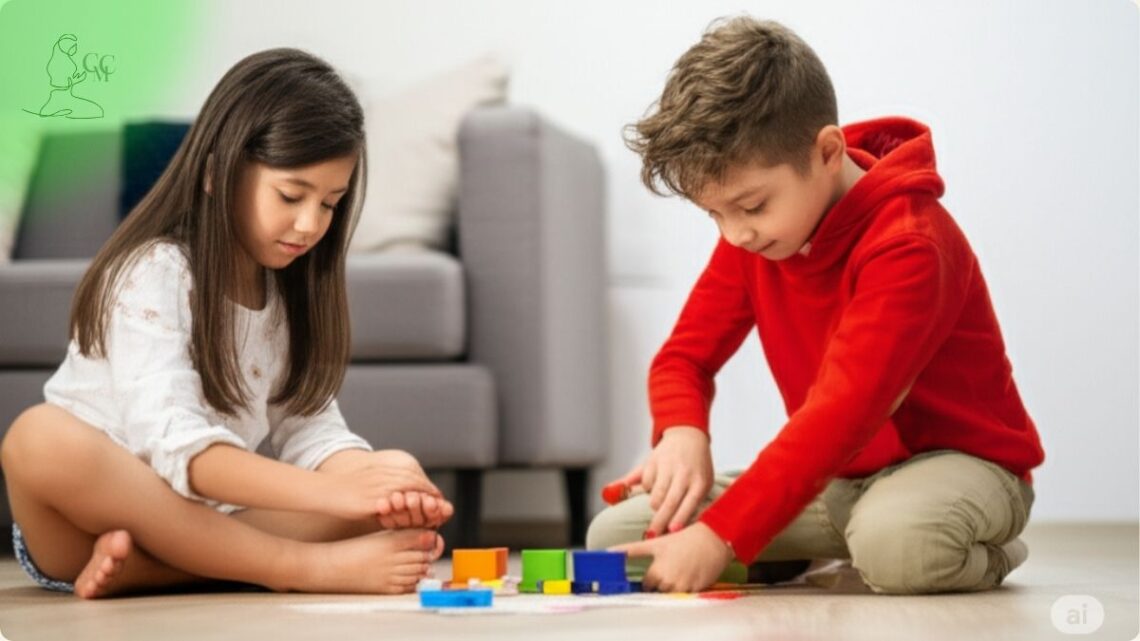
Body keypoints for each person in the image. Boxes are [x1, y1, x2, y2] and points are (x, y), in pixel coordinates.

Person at [587, 17, 1045, 595]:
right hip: (836, 483)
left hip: (957, 467)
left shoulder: (911, 243)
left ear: (827, 152)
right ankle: (812, 548)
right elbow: (684, 357)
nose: (734, 235)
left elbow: (840, 416)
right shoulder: (755, 237)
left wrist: (720, 537)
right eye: (715, 214)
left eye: (751, 206)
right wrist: (681, 430)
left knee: (902, 547)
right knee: (619, 537)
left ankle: (986, 550)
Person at [1, 48, 452, 599]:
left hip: (212, 524)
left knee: (391, 468)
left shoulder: (286, 293)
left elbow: (311, 431)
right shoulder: (154, 272)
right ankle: (293, 567)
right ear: (217, 173)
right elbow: (179, 449)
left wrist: (376, 486)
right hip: (83, 527)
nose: (310, 225)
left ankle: (155, 571)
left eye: (330, 204)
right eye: (291, 195)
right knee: (38, 438)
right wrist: (338, 498)